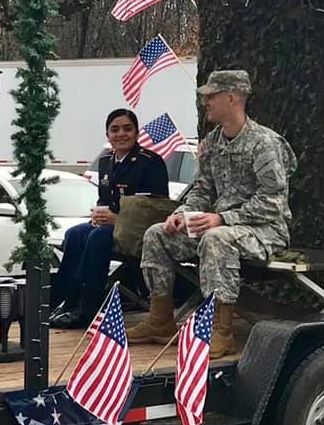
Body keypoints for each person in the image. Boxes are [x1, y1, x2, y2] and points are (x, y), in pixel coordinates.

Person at [126, 70, 296, 359]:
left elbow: (274, 202)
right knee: (157, 234)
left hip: (265, 230)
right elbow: (202, 189)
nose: (205, 101)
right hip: (225, 228)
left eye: (211, 96)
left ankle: (222, 332)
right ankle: (160, 320)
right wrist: (182, 214)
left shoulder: (264, 143)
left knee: (216, 238)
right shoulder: (211, 144)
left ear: (232, 98)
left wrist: (223, 218)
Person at [50, 108, 169, 329]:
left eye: (127, 129)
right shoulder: (106, 161)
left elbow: (156, 210)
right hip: (111, 227)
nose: (121, 134)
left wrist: (117, 219)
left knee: (98, 238)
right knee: (74, 234)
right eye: (114, 130)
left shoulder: (150, 162)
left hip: (139, 232)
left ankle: (88, 308)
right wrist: (98, 214)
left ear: (136, 133)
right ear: (107, 135)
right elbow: (104, 199)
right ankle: (63, 301)